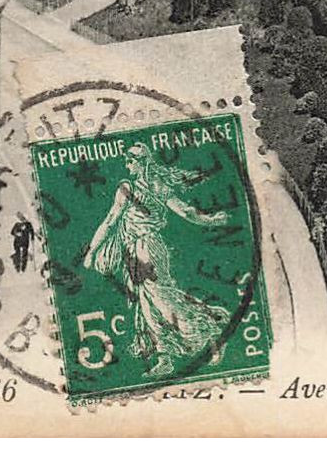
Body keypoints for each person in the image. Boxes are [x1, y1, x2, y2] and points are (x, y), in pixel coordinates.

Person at [81, 144, 232, 378]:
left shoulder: (155, 186)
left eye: (130, 161)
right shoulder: (126, 188)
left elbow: (185, 211)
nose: (126, 165)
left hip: (148, 248)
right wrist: (91, 250)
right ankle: (165, 358)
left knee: (163, 300)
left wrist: (210, 220)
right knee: (147, 306)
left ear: (141, 162)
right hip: (131, 251)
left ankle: (211, 333)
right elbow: (110, 221)